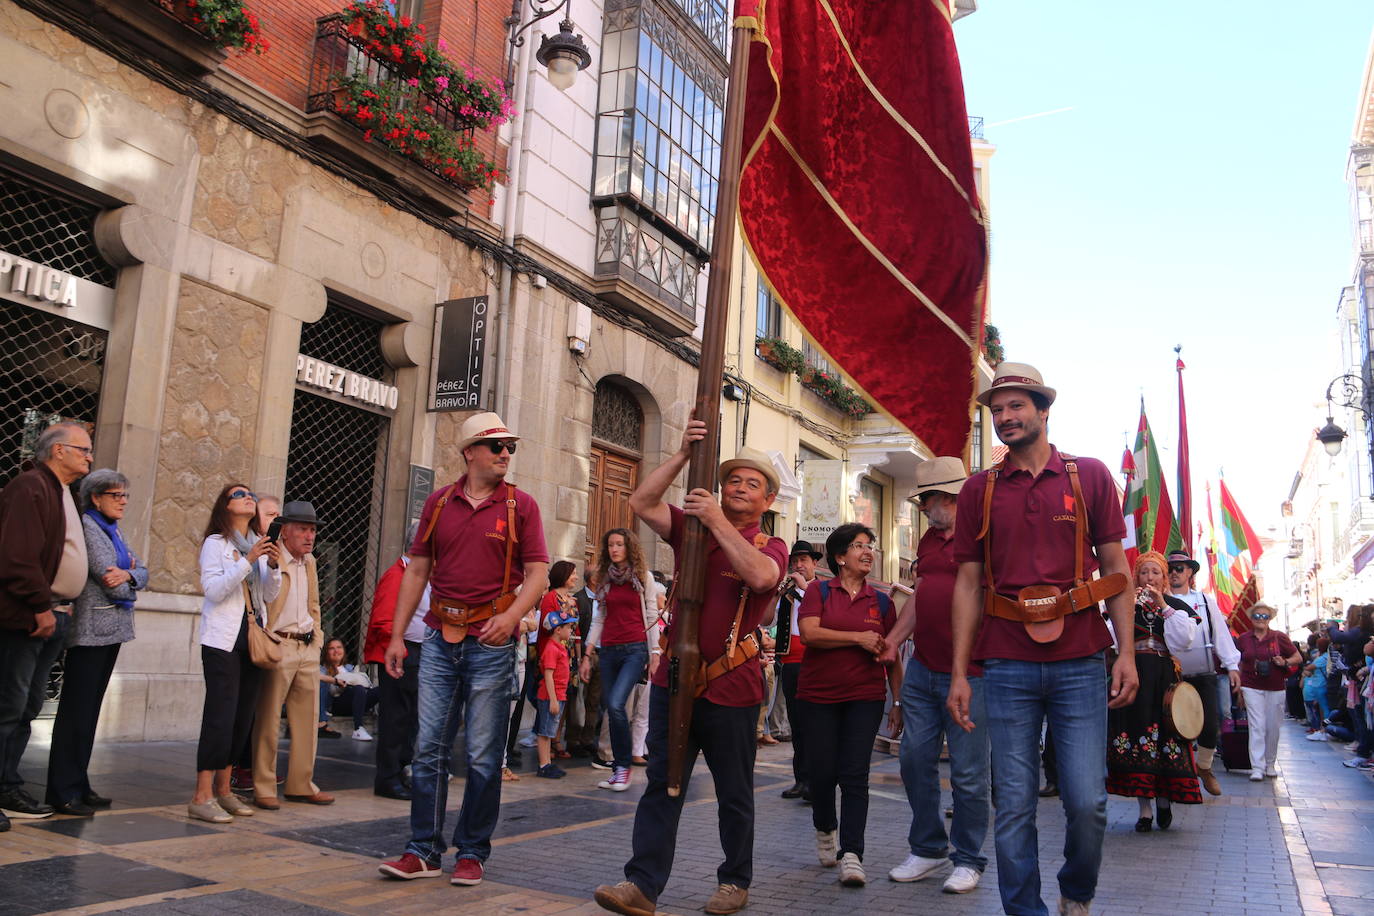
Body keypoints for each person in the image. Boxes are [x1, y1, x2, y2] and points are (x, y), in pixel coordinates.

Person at [946, 362, 1137, 916]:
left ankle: (1076, 892)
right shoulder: (978, 490)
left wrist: (1124, 652)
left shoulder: (1090, 474)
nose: (1004, 417)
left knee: (1088, 803)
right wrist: (960, 673)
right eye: (996, 409)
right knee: (1013, 804)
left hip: (1081, 659)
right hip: (1005, 662)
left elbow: (1116, 568)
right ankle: (1023, 911)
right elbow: (967, 584)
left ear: (1043, 410)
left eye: (1016, 406)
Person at [593, 421, 788, 916]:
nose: (739, 489)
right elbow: (640, 502)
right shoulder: (692, 530)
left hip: (731, 684)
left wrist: (718, 521)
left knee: (734, 791)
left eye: (751, 484)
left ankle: (734, 881)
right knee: (663, 784)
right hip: (673, 681)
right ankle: (641, 885)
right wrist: (681, 454)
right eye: (733, 481)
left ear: (768, 501)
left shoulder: (770, 546)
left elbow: (761, 577)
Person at [379, 412, 549, 887]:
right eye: (496, 447)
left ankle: (472, 850)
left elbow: (538, 571)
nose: (505, 455)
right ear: (470, 451)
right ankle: (422, 850)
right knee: (428, 748)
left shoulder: (522, 507)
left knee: (481, 752)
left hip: (491, 642)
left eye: (509, 448)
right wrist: (396, 636)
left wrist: (512, 617)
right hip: (437, 637)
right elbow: (417, 571)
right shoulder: (438, 503)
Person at [880, 456, 988, 894]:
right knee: (912, 759)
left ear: (951, 498)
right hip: (923, 669)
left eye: (928, 501)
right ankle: (927, 848)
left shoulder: (985, 536)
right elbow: (923, 593)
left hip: (975, 673)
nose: (924, 509)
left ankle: (968, 858)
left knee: (968, 772)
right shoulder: (928, 541)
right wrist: (894, 638)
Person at [795, 523, 898, 888]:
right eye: (859, 546)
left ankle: (852, 854)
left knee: (855, 774)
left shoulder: (882, 602)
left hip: (865, 697)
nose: (868, 552)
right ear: (840, 557)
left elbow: (892, 654)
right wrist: (857, 637)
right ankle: (826, 828)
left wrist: (896, 701)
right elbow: (810, 633)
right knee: (821, 773)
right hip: (818, 696)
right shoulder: (819, 591)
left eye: (871, 546)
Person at [0, 422, 93, 827]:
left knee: (27, 708)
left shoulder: (62, 492)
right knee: (7, 705)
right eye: (83, 449)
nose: (89, 456)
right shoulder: (30, 487)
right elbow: (17, 556)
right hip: (27, 616)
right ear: (58, 451)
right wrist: (40, 605)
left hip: (54, 614)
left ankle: (6, 784)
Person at [45, 468, 149, 816]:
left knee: (90, 712)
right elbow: (112, 582)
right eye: (115, 495)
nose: (123, 501)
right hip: (91, 631)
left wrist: (132, 573)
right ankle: (62, 789)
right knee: (76, 711)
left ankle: (79, 782)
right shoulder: (89, 528)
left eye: (125, 495)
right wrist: (130, 577)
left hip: (112, 630)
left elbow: (143, 571)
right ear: (95, 497)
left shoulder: (113, 530)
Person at [188, 483, 278, 824]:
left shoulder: (256, 543)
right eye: (239, 495)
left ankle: (224, 791)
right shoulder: (217, 544)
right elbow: (213, 590)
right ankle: (201, 795)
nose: (248, 497)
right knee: (220, 717)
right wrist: (249, 560)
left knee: (243, 718)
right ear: (226, 507)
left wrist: (272, 565)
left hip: (251, 639)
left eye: (250, 494)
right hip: (222, 641)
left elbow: (268, 595)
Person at [1105, 552, 1202, 831]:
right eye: (1145, 573)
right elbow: (1111, 640)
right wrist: (1128, 608)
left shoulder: (1176, 606)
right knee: (1137, 734)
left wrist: (1164, 606)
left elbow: (1183, 642)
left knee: (1167, 734)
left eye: (1155, 573)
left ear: (1163, 578)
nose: (1150, 578)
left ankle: (1163, 799)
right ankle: (1144, 810)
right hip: (1135, 674)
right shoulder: (1125, 605)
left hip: (1164, 677)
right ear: (1137, 576)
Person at [250, 501, 334, 809]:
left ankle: (301, 783)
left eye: (312, 530)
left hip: (307, 646)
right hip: (279, 644)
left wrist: (318, 639)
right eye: (302, 529)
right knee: (269, 720)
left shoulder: (309, 561)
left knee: (307, 721)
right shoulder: (271, 558)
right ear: (285, 531)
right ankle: (264, 785)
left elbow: (314, 603)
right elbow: (264, 599)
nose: (309, 536)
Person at [580, 528, 661, 792]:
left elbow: (651, 616)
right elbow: (600, 617)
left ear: (629, 548)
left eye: (620, 544)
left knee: (616, 705)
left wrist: (655, 653)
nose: (615, 549)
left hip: (634, 650)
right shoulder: (605, 579)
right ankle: (617, 770)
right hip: (609, 651)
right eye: (611, 545)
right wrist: (587, 652)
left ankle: (623, 767)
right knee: (610, 708)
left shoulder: (642, 577)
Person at [1164, 549, 1240, 796]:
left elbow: (1220, 633)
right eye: (1171, 568)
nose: (1175, 572)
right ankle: (1180, 776)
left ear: (1190, 572)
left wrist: (1232, 665)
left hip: (1203, 673)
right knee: (1174, 728)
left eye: (1180, 568)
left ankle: (1204, 767)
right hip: (1171, 675)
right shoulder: (1159, 599)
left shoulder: (1205, 601)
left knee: (1209, 725)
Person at [363, 523, 427, 799]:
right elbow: (382, 620)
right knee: (396, 719)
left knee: (411, 719)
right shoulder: (396, 575)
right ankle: (387, 777)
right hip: (401, 653)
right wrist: (399, 639)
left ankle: (402, 771)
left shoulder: (421, 574)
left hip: (418, 652)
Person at [1236, 603, 1302, 782]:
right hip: (1251, 685)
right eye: (1257, 616)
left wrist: (1285, 662)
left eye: (1265, 616)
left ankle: (1270, 763)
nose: (1261, 619)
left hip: (1275, 686)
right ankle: (1257, 766)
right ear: (1251, 618)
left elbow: (1298, 657)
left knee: (1273, 727)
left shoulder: (1279, 637)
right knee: (1257, 725)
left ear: (1270, 619)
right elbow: (1239, 663)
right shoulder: (1244, 638)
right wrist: (1238, 687)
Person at [776, 540, 821, 802]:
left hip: (812, 662)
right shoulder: (789, 591)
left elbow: (820, 616)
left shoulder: (821, 590)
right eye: (795, 560)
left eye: (804, 560)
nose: (799, 565)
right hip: (790, 662)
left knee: (813, 724)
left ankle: (816, 782)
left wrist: (803, 590)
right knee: (796, 724)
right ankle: (801, 780)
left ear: (815, 563)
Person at [536, 608, 577, 778]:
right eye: (568, 628)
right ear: (558, 629)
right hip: (550, 696)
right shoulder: (552, 649)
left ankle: (547, 764)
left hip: (558, 695)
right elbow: (548, 674)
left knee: (549, 730)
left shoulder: (559, 647)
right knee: (545, 732)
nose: (571, 631)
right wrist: (553, 700)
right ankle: (544, 764)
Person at [320, 637, 379, 741]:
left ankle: (386, 725)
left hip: (357, 702)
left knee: (382, 690)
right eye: (331, 648)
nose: (336, 651)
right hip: (337, 705)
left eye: (339, 647)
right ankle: (358, 729)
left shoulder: (349, 668)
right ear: (326, 652)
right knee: (359, 689)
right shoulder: (322, 670)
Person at [1301, 637, 1331, 740]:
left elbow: (1308, 668)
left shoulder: (1322, 658)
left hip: (1320, 685)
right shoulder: (1327, 657)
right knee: (1322, 708)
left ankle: (1325, 730)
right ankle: (1323, 730)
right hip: (1321, 685)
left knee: (1324, 708)